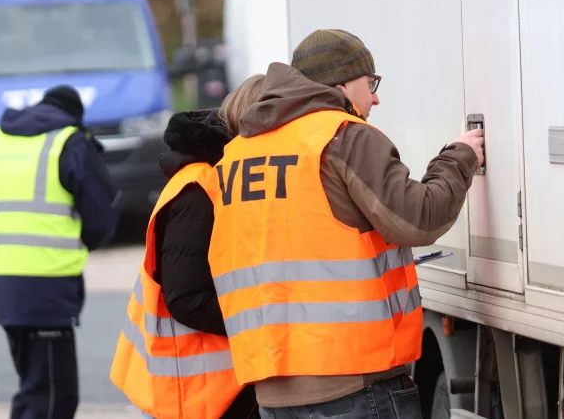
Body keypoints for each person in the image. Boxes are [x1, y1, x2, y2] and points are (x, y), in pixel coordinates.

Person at [201, 29, 485, 419]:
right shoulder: (342, 136)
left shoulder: (236, 157)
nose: (376, 97)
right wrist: (460, 157)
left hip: (272, 388)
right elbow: (418, 218)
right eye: (371, 84)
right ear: (341, 85)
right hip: (351, 383)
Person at [110, 75, 266, 419]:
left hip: (205, 385)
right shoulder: (203, 186)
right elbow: (187, 298)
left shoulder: (220, 177)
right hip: (196, 391)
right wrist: (264, 323)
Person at [0, 85, 120, 419]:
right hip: (48, 282)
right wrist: (85, 240)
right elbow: (102, 213)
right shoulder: (69, 142)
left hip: (2, 281)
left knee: (34, 385)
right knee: (55, 396)